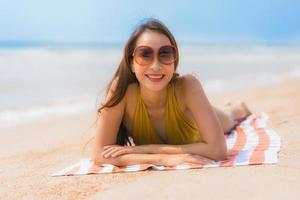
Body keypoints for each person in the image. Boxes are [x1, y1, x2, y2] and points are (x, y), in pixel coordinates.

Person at [92, 18, 251, 167]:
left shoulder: (188, 86)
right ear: (131, 63)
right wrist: (163, 159)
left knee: (230, 116)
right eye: (145, 54)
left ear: (174, 60)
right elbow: (100, 154)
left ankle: (238, 107)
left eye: (165, 53)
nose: (155, 65)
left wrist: (146, 149)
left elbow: (218, 151)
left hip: (205, 116)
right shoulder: (121, 90)